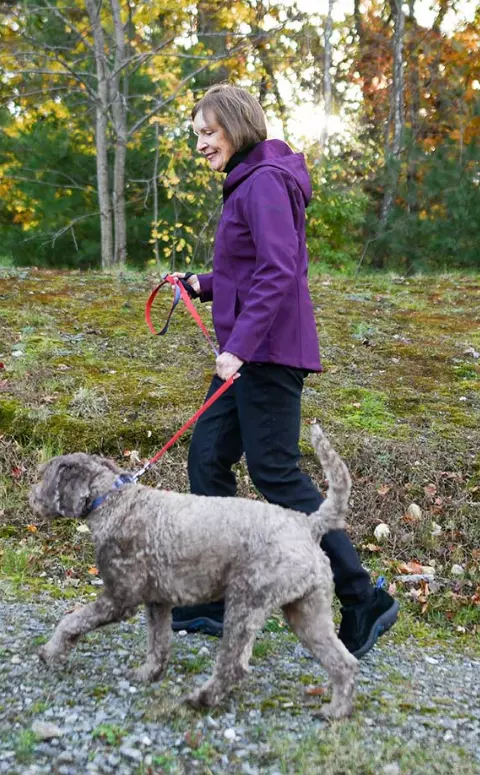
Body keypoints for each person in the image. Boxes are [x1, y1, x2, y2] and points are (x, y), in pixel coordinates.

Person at [171, 84, 398, 658]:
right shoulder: (252, 180)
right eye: (196, 133)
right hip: (251, 355)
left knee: (276, 473)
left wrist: (240, 347)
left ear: (239, 126)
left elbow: (279, 272)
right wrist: (201, 284)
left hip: (266, 357)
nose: (200, 143)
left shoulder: (267, 182)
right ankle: (217, 598)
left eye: (208, 131)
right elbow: (250, 273)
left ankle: (361, 594)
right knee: (207, 458)